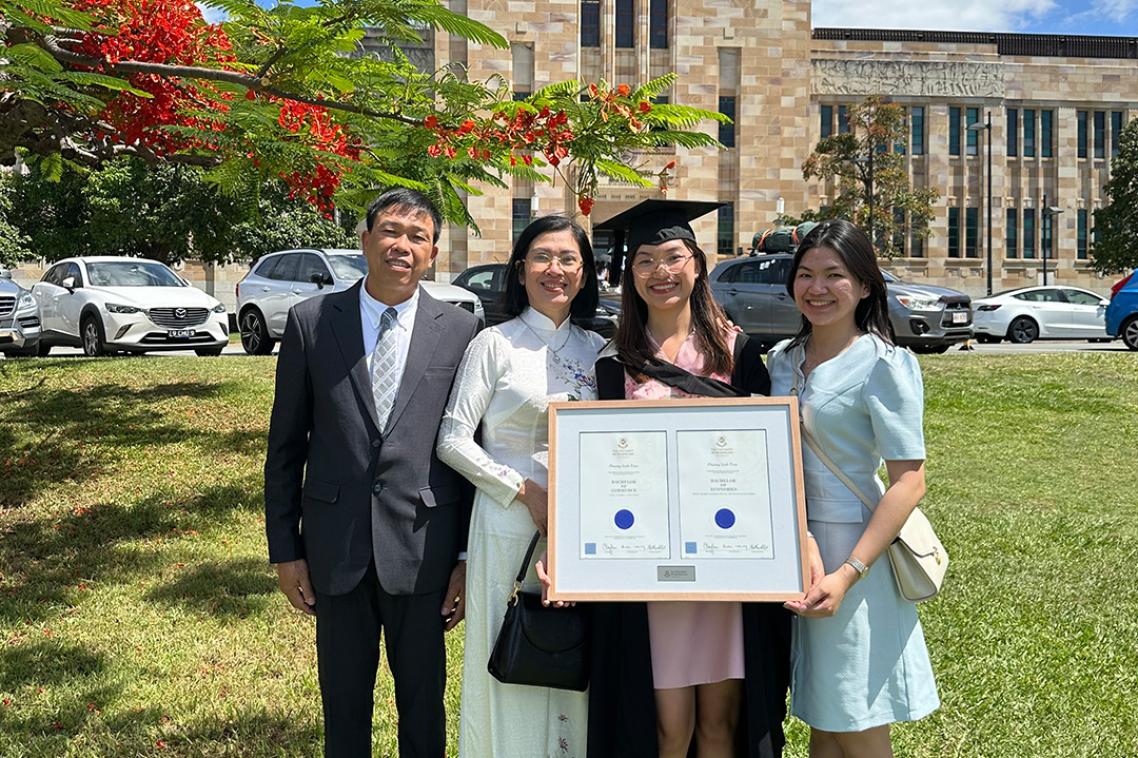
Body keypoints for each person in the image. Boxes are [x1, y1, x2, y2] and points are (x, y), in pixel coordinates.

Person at [264, 188, 480, 758]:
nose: (401, 246)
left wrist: (464, 558)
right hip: (336, 552)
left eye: (417, 237)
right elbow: (285, 446)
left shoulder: (460, 331)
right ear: (364, 240)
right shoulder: (313, 323)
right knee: (344, 710)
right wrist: (286, 552)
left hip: (423, 547)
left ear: (433, 253)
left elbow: (468, 449)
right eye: (390, 231)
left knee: (424, 711)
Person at [585, 200, 793, 758]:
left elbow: (766, 462)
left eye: (673, 257)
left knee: (722, 728)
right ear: (629, 275)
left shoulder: (738, 352)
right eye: (646, 260)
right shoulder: (615, 363)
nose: (661, 272)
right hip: (652, 569)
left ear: (697, 264)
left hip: (726, 565)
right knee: (669, 730)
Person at [768, 219, 940, 758]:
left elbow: (910, 479)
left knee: (858, 720)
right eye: (806, 274)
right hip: (797, 548)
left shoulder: (884, 363)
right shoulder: (780, 362)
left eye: (834, 275)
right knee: (823, 715)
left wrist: (849, 572)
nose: (816, 288)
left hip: (857, 553)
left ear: (865, 285)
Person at [436, 214, 605, 757]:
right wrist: (523, 490)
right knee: (508, 653)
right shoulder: (495, 344)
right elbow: (453, 438)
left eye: (568, 259)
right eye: (542, 257)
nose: (555, 270)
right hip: (507, 522)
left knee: (571, 659)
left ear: (585, 273)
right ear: (520, 268)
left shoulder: (597, 351)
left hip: (582, 534)